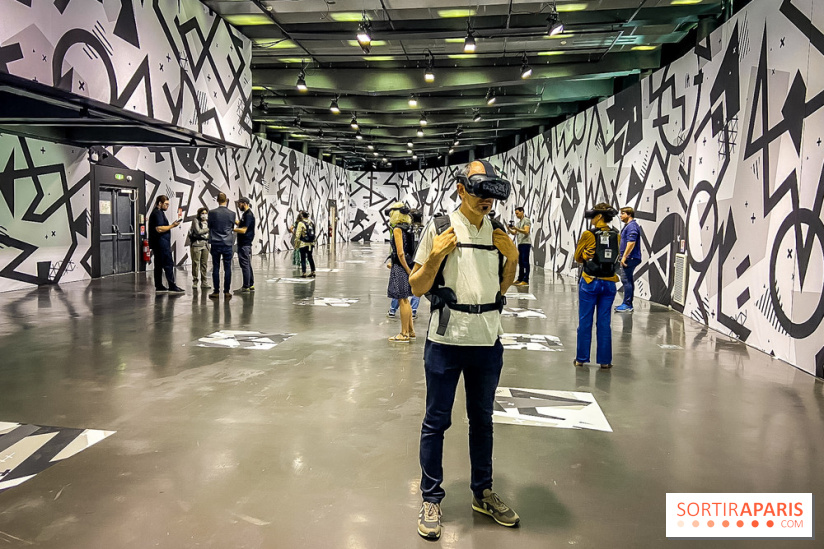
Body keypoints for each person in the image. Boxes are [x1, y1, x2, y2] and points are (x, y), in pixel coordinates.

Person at [409, 160, 520, 540]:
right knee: (436, 422)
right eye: (479, 192)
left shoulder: (499, 230)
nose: (486, 200)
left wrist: (514, 259)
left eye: (491, 193)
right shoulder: (439, 228)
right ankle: (431, 498)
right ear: (460, 189)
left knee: (483, 422)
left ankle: (482, 492)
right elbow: (418, 285)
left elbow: (503, 287)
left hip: (488, 342)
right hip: (445, 341)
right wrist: (437, 255)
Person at [573, 203, 621, 369]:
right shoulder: (617, 234)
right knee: (604, 322)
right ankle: (605, 361)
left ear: (599, 216)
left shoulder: (588, 234)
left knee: (585, 321)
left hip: (590, 281)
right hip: (609, 283)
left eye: (594, 215)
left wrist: (587, 255)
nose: (592, 218)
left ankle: (581, 358)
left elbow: (578, 257)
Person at [386, 202, 416, 343]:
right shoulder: (408, 228)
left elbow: (400, 253)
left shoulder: (397, 229)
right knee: (406, 300)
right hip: (407, 265)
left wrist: (405, 268)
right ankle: (410, 330)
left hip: (400, 268)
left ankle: (403, 334)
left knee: (402, 300)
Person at [148, 195, 185, 293]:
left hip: (158, 244)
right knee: (168, 264)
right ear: (160, 203)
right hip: (161, 244)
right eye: (166, 204)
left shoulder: (157, 213)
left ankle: (159, 285)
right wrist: (172, 225)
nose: (167, 206)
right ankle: (172, 285)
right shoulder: (157, 214)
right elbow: (159, 228)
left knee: (159, 265)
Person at [207, 192, 236, 299]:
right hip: (227, 243)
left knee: (216, 267)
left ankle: (216, 291)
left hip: (215, 242)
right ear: (226, 200)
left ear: (217, 200)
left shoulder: (212, 213)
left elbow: (210, 225)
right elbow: (232, 227)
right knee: (227, 268)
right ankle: (227, 291)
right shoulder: (232, 213)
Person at [616, 207, 642, 312]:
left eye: (622, 213)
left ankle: (627, 304)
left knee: (626, 280)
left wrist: (624, 257)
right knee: (628, 280)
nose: (620, 216)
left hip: (630, 258)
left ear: (629, 214)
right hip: (630, 257)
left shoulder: (632, 227)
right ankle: (628, 303)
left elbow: (631, 242)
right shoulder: (629, 226)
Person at [234, 197, 256, 292]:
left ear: (244, 203)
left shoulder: (248, 215)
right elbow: (241, 224)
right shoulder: (246, 215)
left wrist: (230, 229)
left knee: (245, 265)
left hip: (244, 244)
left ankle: (246, 286)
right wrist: (233, 221)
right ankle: (250, 284)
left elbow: (243, 230)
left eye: (239, 204)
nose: (238, 206)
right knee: (247, 264)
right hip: (245, 244)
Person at [508, 207, 532, 286]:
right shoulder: (518, 223)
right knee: (521, 262)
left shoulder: (526, 220)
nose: (517, 215)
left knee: (525, 261)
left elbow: (526, 231)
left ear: (522, 212)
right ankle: (520, 278)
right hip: (520, 243)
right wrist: (509, 229)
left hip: (526, 243)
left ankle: (526, 279)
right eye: (516, 214)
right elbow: (514, 233)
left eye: (517, 213)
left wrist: (516, 228)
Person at [189, 207, 210, 289]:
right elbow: (198, 231)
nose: (204, 215)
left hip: (206, 244)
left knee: (204, 264)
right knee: (195, 263)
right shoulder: (195, 220)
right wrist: (209, 229)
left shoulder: (208, 222)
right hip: (196, 244)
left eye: (205, 213)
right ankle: (195, 281)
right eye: (202, 213)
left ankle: (204, 282)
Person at [295, 211, 316, 277]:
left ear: (302, 216)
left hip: (303, 243)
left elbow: (298, 234)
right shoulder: (311, 222)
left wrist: (296, 243)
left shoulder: (301, 223)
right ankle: (313, 271)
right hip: (311, 243)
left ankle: (304, 273)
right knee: (310, 257)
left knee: (303, 258)